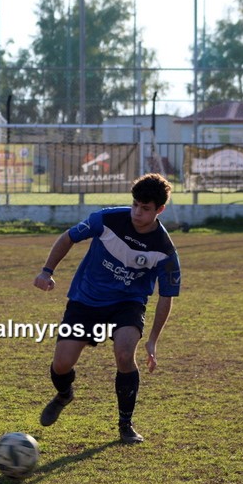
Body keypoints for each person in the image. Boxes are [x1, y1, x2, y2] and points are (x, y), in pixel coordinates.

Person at [34, 173, 181, 444]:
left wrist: (152, 340)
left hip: (128, 304)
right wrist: (46, 271)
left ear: (159, 210)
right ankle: (65, 395)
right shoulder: (106, 219)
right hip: (85, 300)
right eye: (135, 204)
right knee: (61, 364)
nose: (137, 212)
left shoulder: (165, 250)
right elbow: (68, 237)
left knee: (125, 354)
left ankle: (125, 424)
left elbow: (166, 296)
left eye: (145, 208)